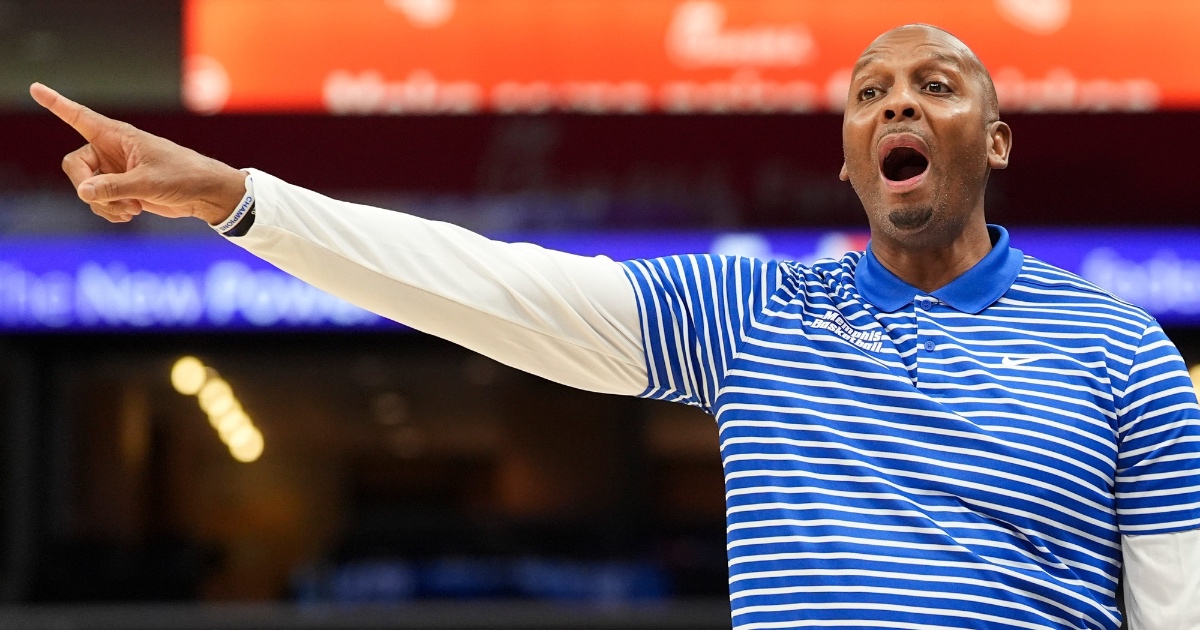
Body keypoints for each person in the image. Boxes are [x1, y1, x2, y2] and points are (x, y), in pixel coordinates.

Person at [30, 23, 1199, 630]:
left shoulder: (1122, 351)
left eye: (937, 86)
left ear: (995, 142)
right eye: (868, 93)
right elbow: (484, 283)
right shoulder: (751, 316)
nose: (898, 100)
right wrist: (238, 196)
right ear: (849, 158)